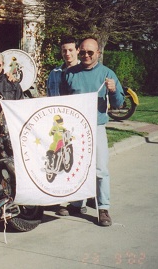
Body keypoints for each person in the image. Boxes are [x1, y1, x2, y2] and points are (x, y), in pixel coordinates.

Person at [61, 37, 124, 227]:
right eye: (83, 52)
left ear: (98, 53)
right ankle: (76, 203)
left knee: (100, 170)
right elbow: (63, 102)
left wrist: (113, 91)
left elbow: (119, 104)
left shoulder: (107, 73)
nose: (86, 55)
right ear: (79, 51)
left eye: (90, 52)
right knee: (75, 166)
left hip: (96, 127)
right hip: (74, 129)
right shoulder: (69, 73)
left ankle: (103, 208)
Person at [46, 37, 87, 216]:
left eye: (71, 50)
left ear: (77, 50)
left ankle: (79, 201)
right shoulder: (54, 73)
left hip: (78, 123)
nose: (67, 54)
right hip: (60, 123)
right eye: (64, 50)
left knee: (78, 159)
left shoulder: (84, 71)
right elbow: (49, 96)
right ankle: (61, 201)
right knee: (60, 159)